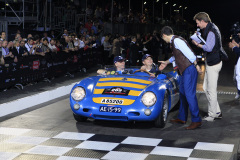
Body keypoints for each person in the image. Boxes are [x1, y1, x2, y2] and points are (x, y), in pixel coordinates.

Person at [159, 26, 202, 130]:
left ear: (164, 35)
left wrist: (196, 66)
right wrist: (166, 62)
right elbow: (176, 56)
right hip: (185, 70)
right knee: (182, 92)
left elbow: (190, 54)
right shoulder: (175, 42)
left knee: (189, 95)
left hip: (189, 69)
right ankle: (182, 117)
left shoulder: (177, 41)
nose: (163, 40)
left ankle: (196, 120)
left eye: (162, 38)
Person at [192, 12, 224, 121]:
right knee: (206, 88)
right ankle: (217, 111)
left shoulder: (211, 31)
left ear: (202, 21)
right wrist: (199, 37)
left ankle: (212, 115)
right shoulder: (211, 27)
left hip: (213, 63)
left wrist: (197, 44)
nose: (197, 25)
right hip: (212, 62)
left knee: (211, 90)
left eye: (197, 23)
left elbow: (209, 48)